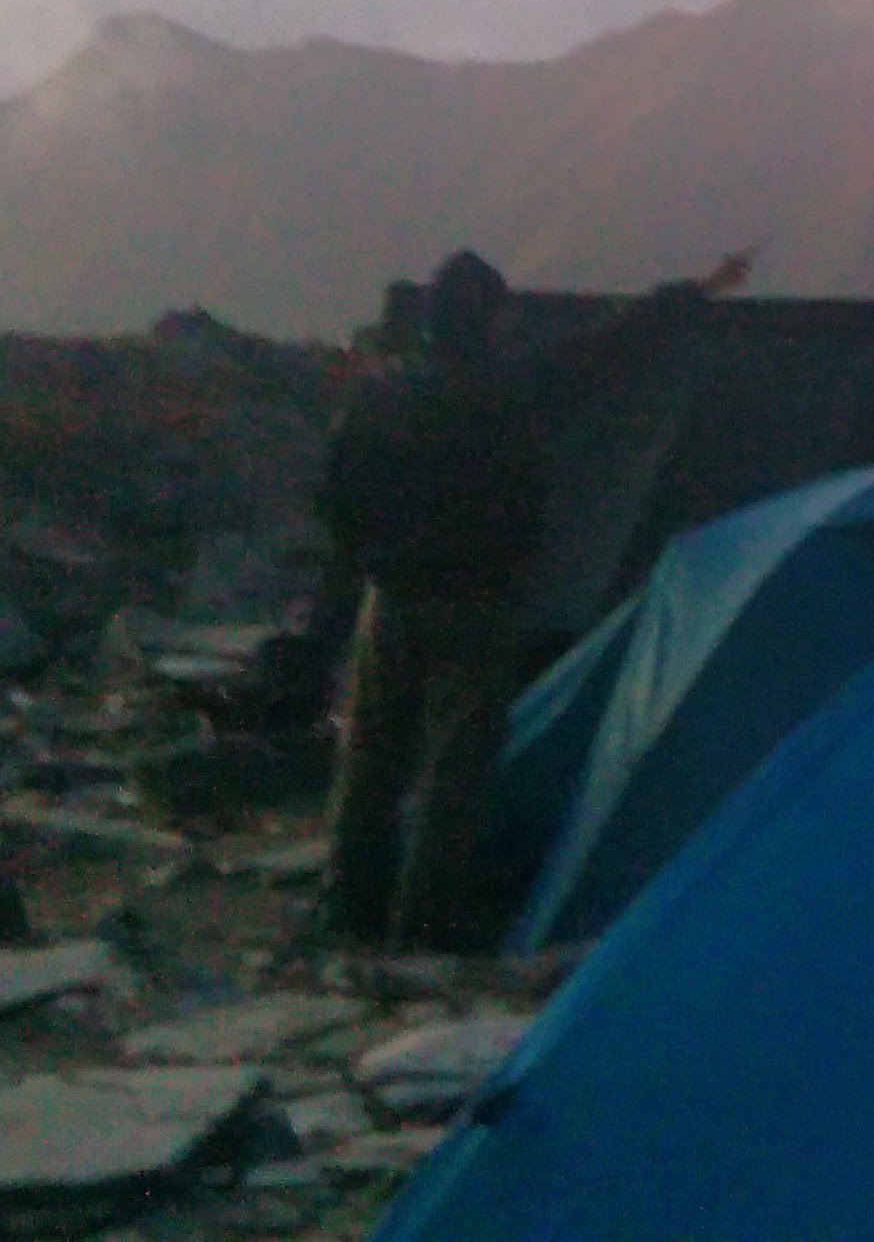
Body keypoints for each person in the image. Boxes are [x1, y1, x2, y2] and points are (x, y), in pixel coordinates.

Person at [320, 248, 746, 949]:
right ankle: (424, 924)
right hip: (476, 600)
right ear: (490, 318)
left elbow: (337, 495)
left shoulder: (381, 394)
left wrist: (373, 557)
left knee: (370, 757)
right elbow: (606, 350)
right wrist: (693, 293)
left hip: (392, 596)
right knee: (456, 768)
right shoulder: (511, 388)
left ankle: (348, 912)